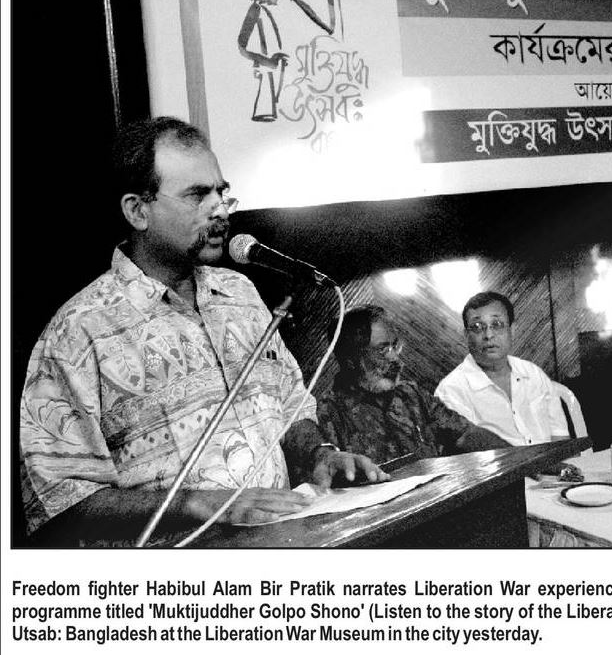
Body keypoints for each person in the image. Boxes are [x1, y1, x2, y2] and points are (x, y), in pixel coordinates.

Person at [19, 117, 385, 546]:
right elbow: (62, 505)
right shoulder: (80, 329)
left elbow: (288, 406)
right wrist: (201, 504)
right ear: (138, 211)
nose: (221, 210)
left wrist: (319, 453)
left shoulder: (239, 294)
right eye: (197, 195)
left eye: (221, 193)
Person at [316, 306, 508, 466]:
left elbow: (465, 434)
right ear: (350, 359)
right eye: (382, 350)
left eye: (394, 346)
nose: (394, 358)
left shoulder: (411, 393)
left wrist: (515, 459)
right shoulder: (328, 412)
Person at [435, 292, 572, 446]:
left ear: (512, 330)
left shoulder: (533, 374)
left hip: (551, 461)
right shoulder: (451, 390)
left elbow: (561, 440)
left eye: (497, 324)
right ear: (466, 335)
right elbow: (463, 456)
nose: (488, 335)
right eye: (477, 327)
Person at [237, 0, 341, 121]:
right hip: (278, 85)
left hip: (305, 90)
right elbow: (242, 46)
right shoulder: (259, 8)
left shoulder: (300, 5)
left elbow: (330, 29)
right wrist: (269, 61)